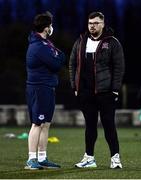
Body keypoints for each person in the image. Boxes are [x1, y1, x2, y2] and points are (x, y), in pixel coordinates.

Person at [69, 12, 125, 168]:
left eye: (95, 23)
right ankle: (89, 158)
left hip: (106, 92)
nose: (92, 26)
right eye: (89, 23)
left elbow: (119, 67)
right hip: (86, 93)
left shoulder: (112, 42)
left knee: (109, 125)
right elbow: (72, 64)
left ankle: (115, 158)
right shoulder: (81, 41)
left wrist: (115, 89)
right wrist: (75, 86)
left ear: (102, 24)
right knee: (90, 126)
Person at [25, 11, 65, 170]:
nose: (52, 28)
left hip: (48, 87)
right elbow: (57, 63)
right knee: (37, 123)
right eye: (50, 25)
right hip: (39, 88)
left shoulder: (46, 43)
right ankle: (31, 159)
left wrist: (58, 56)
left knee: (46, 124)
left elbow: (60, 56)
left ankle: (42, 158)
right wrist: (58, 56)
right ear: (47, 27)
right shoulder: (38, 46)